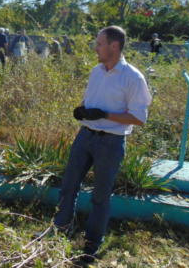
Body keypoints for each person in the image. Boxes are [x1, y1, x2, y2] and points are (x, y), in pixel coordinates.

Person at [52, 26, 152, 262]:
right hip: (85, 136)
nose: (96, 48)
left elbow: (139, 117)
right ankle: (59, 231)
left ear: (114, 46)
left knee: (100, 196)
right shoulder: (96, 71)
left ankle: (91, 245)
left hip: (111, 143)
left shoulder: (133, 78)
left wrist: (104, 115)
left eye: (99, 44)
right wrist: (83, 110)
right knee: (68, 185)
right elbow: (91, 100)